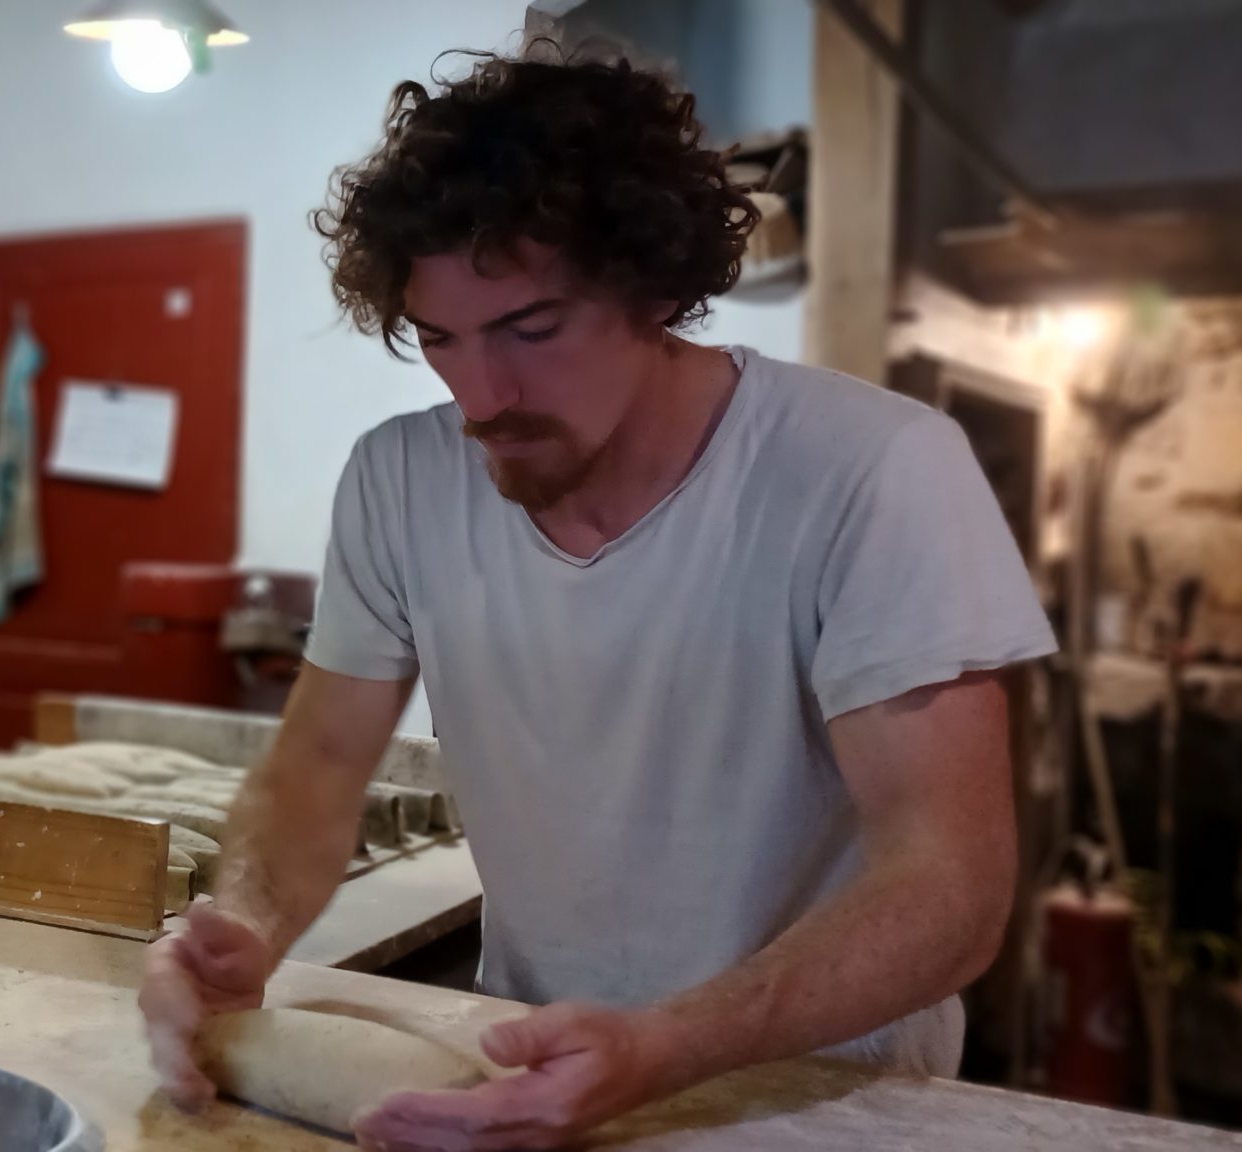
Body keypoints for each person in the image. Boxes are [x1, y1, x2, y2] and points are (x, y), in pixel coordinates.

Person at [140, 50, 1057, 1150]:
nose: (481, 397)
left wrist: (663, 1045)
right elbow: (320, 767)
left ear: (656, 288)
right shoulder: (398, 482)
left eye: (531, 330)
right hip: (522, 1066)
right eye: (439, 339)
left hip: (820, 1098)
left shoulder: (873, 472)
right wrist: (240, 918)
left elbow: (947, 886)